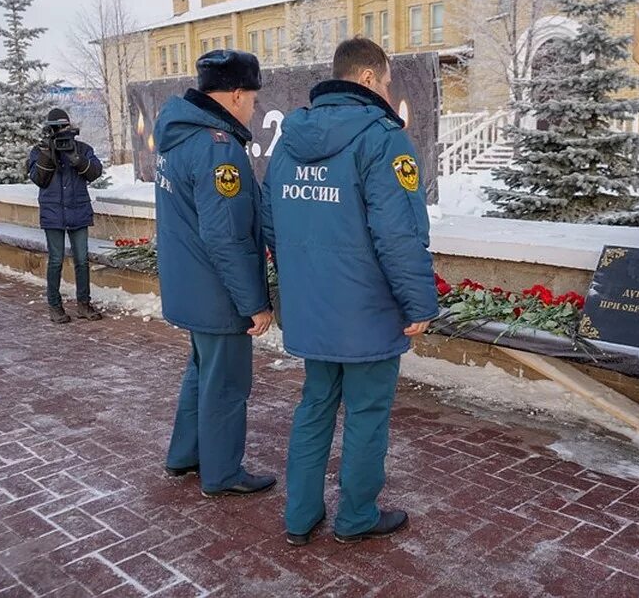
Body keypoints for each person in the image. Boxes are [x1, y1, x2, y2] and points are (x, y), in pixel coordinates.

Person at [262, 38, 438, 545]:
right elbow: (399, 234)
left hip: (312, 307)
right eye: (385, 81)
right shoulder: (384, 140)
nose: (388, 90)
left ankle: (299, 516)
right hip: (367, 311)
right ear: (366, 78)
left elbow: (272, 224)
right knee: (365, 412)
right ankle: (356, 516)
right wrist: (420, 303)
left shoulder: (289, 141)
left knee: (316, 404)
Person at [153, 49, 276, 497]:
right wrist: (254, 304)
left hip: (190, 285)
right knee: (225, 384)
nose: (255, 107)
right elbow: (226, 236)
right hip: (216, 292)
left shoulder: (179, 135)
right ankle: (222, 473)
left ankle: (185, 455)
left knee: (201, 372)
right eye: (253, 98)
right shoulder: (216, 148)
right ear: (237, 94)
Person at [28, 108, 104, 323]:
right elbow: (38, 179)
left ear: (70, 127)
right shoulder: (39, 150)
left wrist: (76, 158)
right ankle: (54, 305)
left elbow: (95, 172)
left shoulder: (82, 149)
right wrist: (47, 154)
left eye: (63, 127)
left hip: (78, 210)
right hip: (53, 212)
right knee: (55, 260)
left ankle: (83, 304)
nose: (60, 132)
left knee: (81, 260)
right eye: (55, 128)